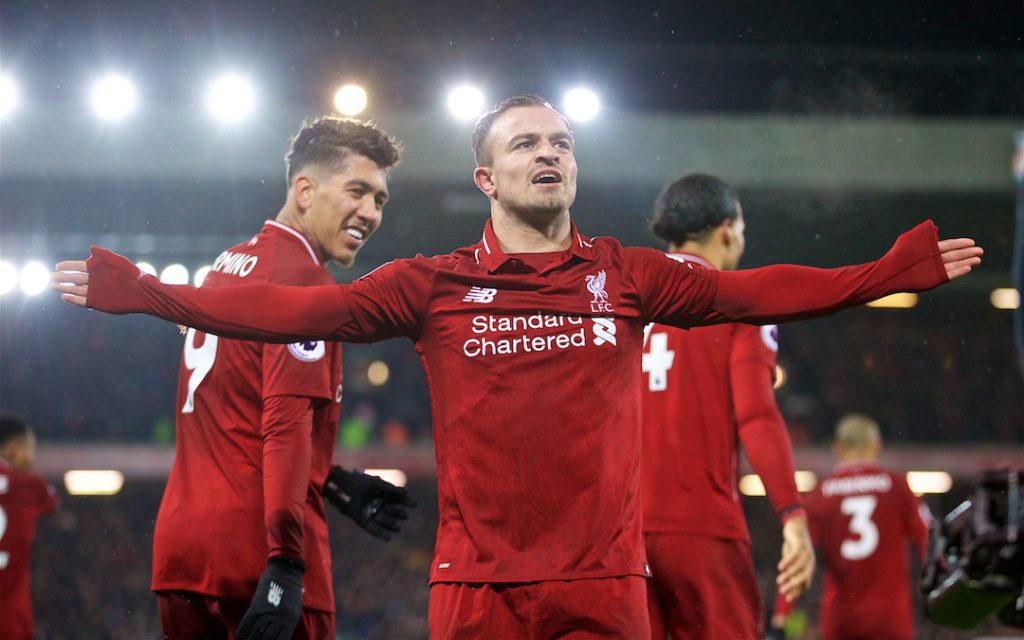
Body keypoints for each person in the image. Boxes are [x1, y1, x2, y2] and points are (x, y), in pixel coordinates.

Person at [51, 95, 982, 638]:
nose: (551, 152)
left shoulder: (625, 275)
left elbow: (760, 292)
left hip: (607, 589)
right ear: (487, 181)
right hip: (475, 591)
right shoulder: (433, 285)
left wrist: (883, 274)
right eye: (527, 143)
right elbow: (287, 309)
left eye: (563, 143)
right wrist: (144, 291)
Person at [122, 116, 414, 640]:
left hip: (184, 552)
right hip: (256, 562)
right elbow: (282, 428)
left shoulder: (226, 265)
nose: (369, 213)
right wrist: (284, 564)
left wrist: (328, 479)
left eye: (380, 200)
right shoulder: (303, 284)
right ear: (305, 190)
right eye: (357, 191)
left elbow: (239, 415)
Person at [641, 173, 814, 639]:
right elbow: (755, 414)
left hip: (622, 543)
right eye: (742, 228)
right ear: (724, 229)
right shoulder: (738, 300)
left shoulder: (626, 303)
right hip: (701, 530)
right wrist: (791, 513)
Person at [802, 413, 930, 640]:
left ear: (837, 448)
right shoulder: (896, 486)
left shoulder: (820, 494)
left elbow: (799, 556)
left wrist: (781, 613)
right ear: (877, 446)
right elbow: (927, 541)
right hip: (890, 619)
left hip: (840, 620)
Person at [0, 414, 57, 640]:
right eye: (31, 449)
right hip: (10, 621)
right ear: (14, 449)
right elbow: (51, 502)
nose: (32, 459)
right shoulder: (31, 486)